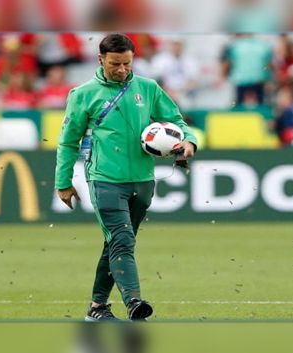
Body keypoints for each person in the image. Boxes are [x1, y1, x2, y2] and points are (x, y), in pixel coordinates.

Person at [54, 34, 197, 322]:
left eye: (127, 63)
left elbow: (177, 122)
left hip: (143, 180)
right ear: (100, 60)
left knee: (117, 243)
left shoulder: (148, 88)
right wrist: (63, 182)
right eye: (114, 64)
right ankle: (134, 302)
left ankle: (97, 309)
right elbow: (68, 141)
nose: (121, 70)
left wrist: (189, 141)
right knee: (122, 239)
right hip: (105, 179)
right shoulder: (82, 94)